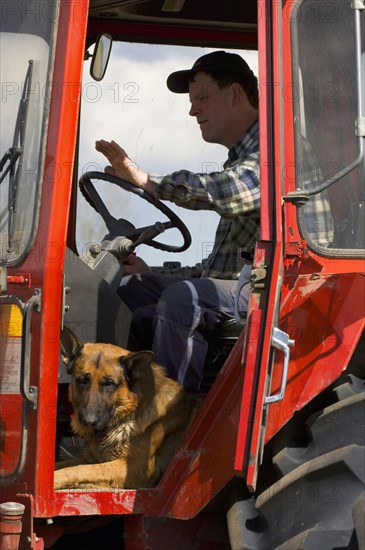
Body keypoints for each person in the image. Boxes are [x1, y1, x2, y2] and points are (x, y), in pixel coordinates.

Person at [95, 51, 260, 391]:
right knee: (130, 290)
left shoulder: (276, 153)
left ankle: (168, 425)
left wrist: (150, 181)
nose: (192, 110)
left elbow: (227, 191)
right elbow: (216, 271)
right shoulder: (241, 159)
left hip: (278, 292)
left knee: (184, 300)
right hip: (241, 285)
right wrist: (150, 274)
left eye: (202, 98)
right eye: (191, 101)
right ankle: (114, 406)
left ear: (235, 95)